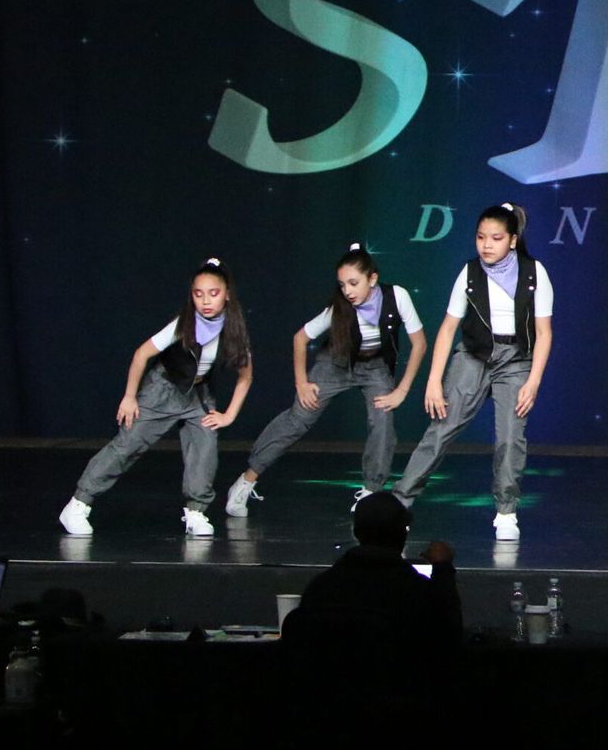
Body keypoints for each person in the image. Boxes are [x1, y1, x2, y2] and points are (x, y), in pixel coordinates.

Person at [224, 242, 428, 517]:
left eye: (354, 283)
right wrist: (302, 384)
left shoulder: (397, 296)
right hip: (336, 363)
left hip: (375, 367)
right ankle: (246, 480)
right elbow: (300, 338)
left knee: (382, 423)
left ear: (373, 278)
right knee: (299, 418)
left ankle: (371, 494)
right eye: (343, 285)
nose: (348, 291)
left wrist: (402, 390)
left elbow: (420, 344)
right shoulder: (339, 308)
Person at [391, 202, 554, 540]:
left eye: (495, 238)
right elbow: (448, 327)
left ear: (512, 239)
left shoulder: (534, 273)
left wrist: (534, 381)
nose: (486, 245)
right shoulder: (469, 273)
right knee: (440, 430)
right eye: (481, 237)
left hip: (516, 361)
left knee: (510, 438)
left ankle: (506, 511)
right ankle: (398, 503)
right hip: (473, 355)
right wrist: (434, 380)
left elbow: (544, 333)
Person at [59, 258, 254, 537]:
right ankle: (78, 504)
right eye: (198, 294)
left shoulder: (233, 330)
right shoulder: (183, 324)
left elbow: (245, 375)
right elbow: (142, 354)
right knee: (127, 446)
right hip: (163, 389)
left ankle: (196, 512)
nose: (206, 301)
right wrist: (129, 397)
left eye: (213, 293)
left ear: (227, 294)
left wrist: (229, 414)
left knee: (204, 447)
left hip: (197, 395)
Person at [280, 492, 461, 739]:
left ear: (356, 533)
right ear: (403, 534)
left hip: (324, 724)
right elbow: (448, 645)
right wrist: (442, 571)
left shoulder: (321, 588)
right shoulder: (416, 592)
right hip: (398, 724)